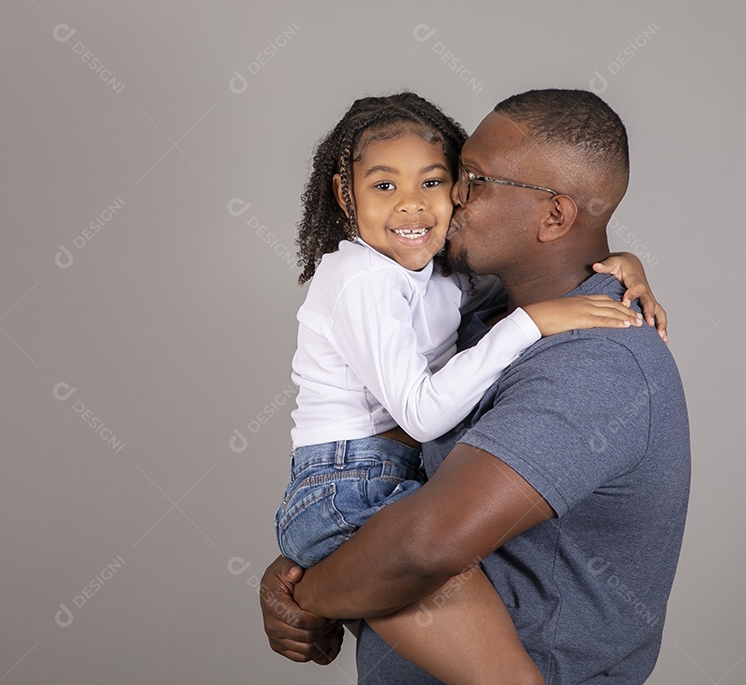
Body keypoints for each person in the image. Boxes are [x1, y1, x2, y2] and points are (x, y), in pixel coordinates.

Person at [260, 89, 690, 684]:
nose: (446, 198)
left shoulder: (595, 360)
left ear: (556, 216)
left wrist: (308, 591)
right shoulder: (482, 318)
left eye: (472, 179)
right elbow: (394, 497)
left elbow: (421, 547)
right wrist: (314, 556)